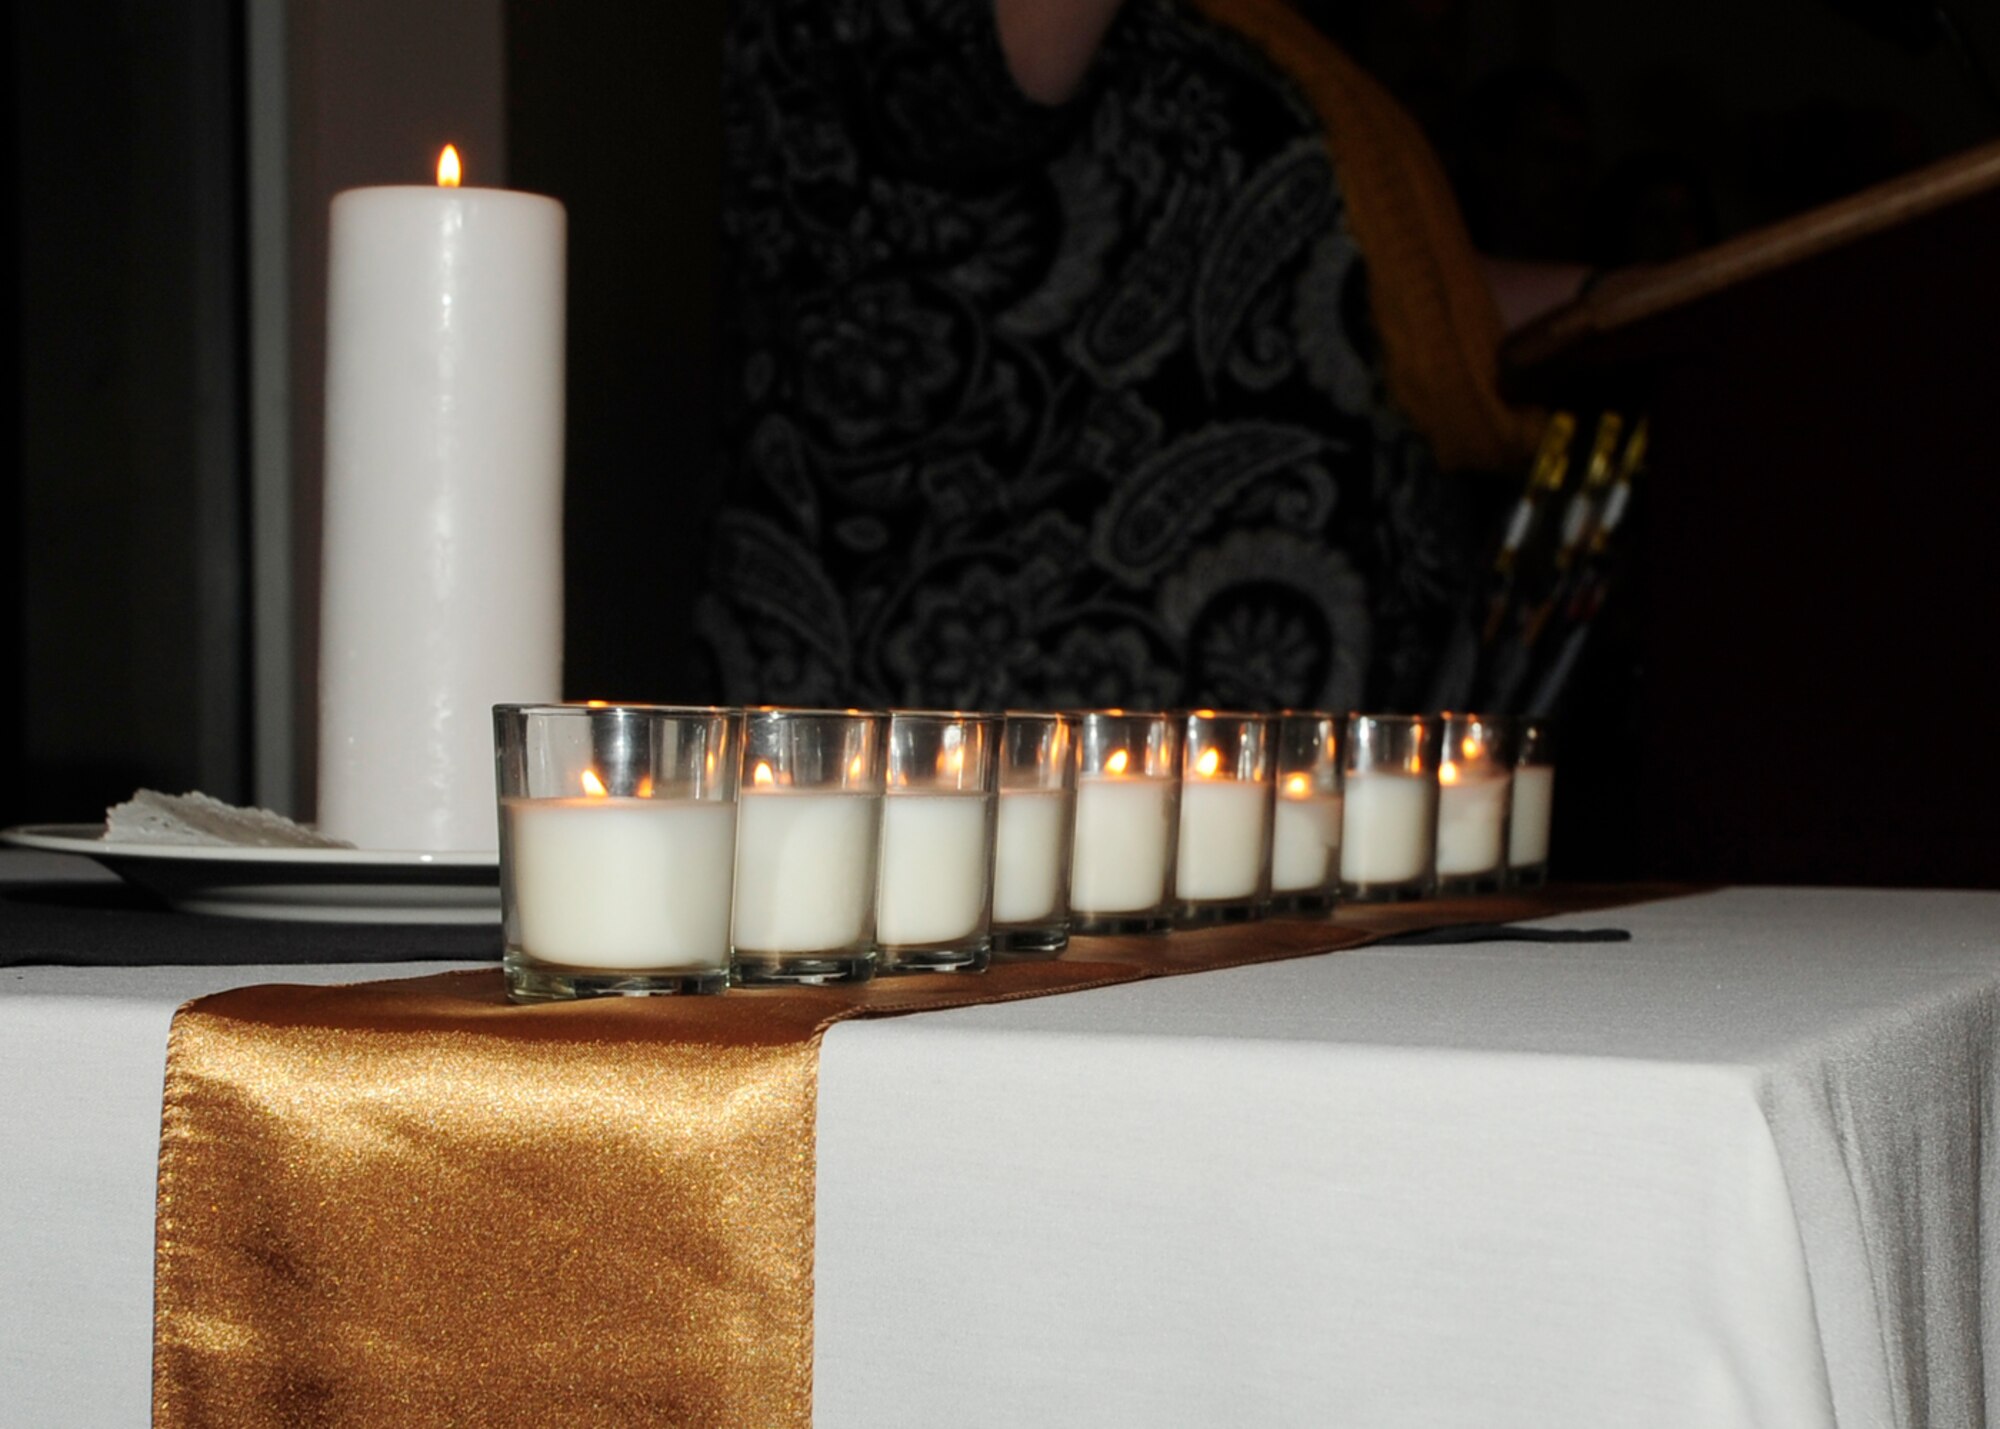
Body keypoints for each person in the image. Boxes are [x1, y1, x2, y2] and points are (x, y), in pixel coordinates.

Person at [695, 0, 1557, 712]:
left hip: (1245, 746)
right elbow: (965, 91)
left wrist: (1637, 298)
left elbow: (1363, 284)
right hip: (1024, 707)